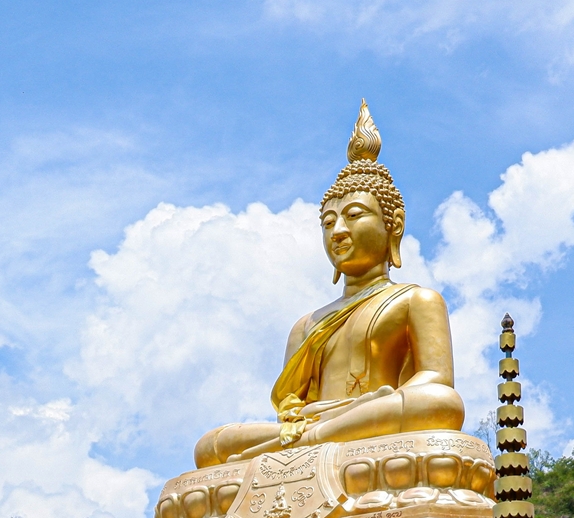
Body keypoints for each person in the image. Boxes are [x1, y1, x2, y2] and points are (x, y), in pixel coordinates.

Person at [193, 101, 464, 469]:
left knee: (439, 403)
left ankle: (312, 443)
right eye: (328, 222)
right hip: (325, 425)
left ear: (394, 225)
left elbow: (435, 379)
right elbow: (291, 408)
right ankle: (316, 439)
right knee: (211, 445)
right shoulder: (306, 325)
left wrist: (361, 409)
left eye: (354, 216)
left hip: (373, 418)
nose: (338, 231)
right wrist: (312, 419)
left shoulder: (416, 300)